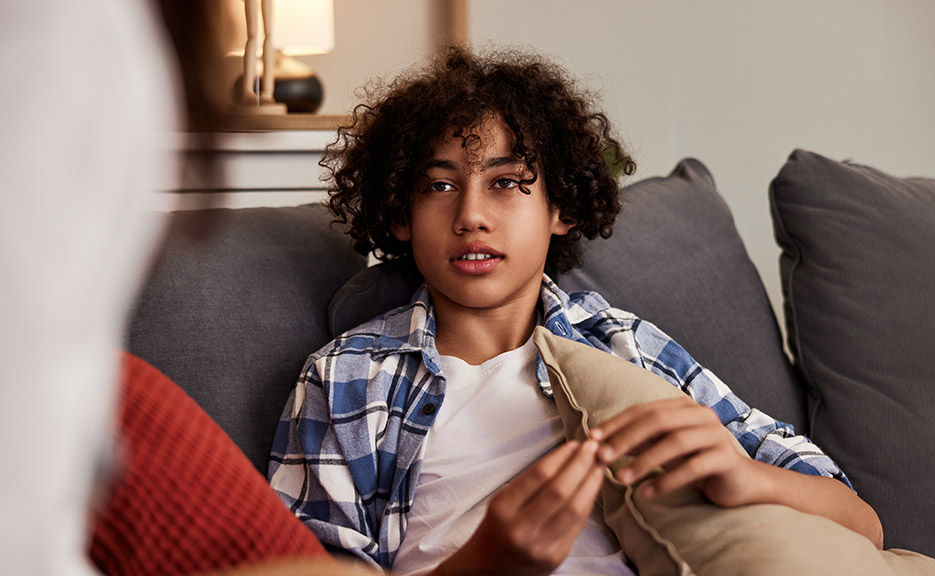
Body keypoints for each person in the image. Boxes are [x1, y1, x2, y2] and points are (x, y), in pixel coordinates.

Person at [268, 46, 883, 575]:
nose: (471, 215)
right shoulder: (345, 379)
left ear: (559, 208)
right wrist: (486, 561)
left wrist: (746, 477)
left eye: (507, 182)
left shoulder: (627, 348)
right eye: (440, 185)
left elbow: (862, 523)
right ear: (400, 215)